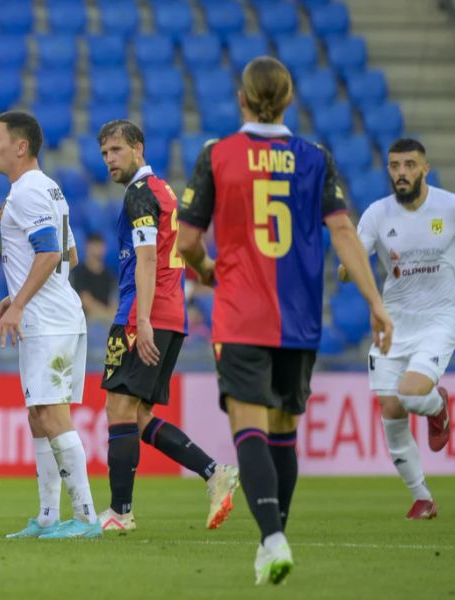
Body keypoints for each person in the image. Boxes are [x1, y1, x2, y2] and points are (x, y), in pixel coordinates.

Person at [177, 56, 393, 585]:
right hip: (299, 318)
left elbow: (186, 243)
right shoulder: (315, 157)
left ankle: (272, 538)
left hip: (241, 314)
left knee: (248, 426)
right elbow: (344, 232)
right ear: (290, 100)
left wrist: (207, 270)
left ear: (242, 100)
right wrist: (376, 302)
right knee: (284, 431)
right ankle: (274, 537)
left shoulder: (217, 155)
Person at [95, 119, 240, 533]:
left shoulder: (140, 195)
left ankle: (120, 513)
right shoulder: (164, 191)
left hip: (145, 313)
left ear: (138, 148)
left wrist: (139, 319)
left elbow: (147, 258)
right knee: (137, 416)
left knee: (119, 410)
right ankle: (213, 472)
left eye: (117, 151)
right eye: (105, 153)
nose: (110, 160)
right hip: (171, 314)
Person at [0, 111, 101, 540]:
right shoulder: (50, 189)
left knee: (52, 415)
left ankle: (87, 519)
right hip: (54, 316)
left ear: (20, 146)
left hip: (48, 322)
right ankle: (49, 517)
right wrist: (17, 294)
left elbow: (50, 254)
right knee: (38, 416)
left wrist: (20, 302)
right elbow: (67, 254)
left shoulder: (27, 192)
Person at [340, 138, 452, 519]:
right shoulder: (377, 213)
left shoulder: (449, 207)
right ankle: (422, 497)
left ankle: (438, 409)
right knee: (391, 409)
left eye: (409, 165)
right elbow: (355, 253)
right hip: (394, 323)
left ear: (425, 168)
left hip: (439, 320)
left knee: (411, 395)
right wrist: (347, 267)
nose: (401, 173)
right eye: (394, 166)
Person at [69, 232, 117, 324]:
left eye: (100, 245)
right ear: (87, 247)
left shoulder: (107, 273)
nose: (98, 249)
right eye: (95, 245)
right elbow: (86, 301)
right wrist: (106, 314)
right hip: (87, 317)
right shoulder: (80, 272)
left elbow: (112, 298)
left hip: (106, 316)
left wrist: (112, 313)